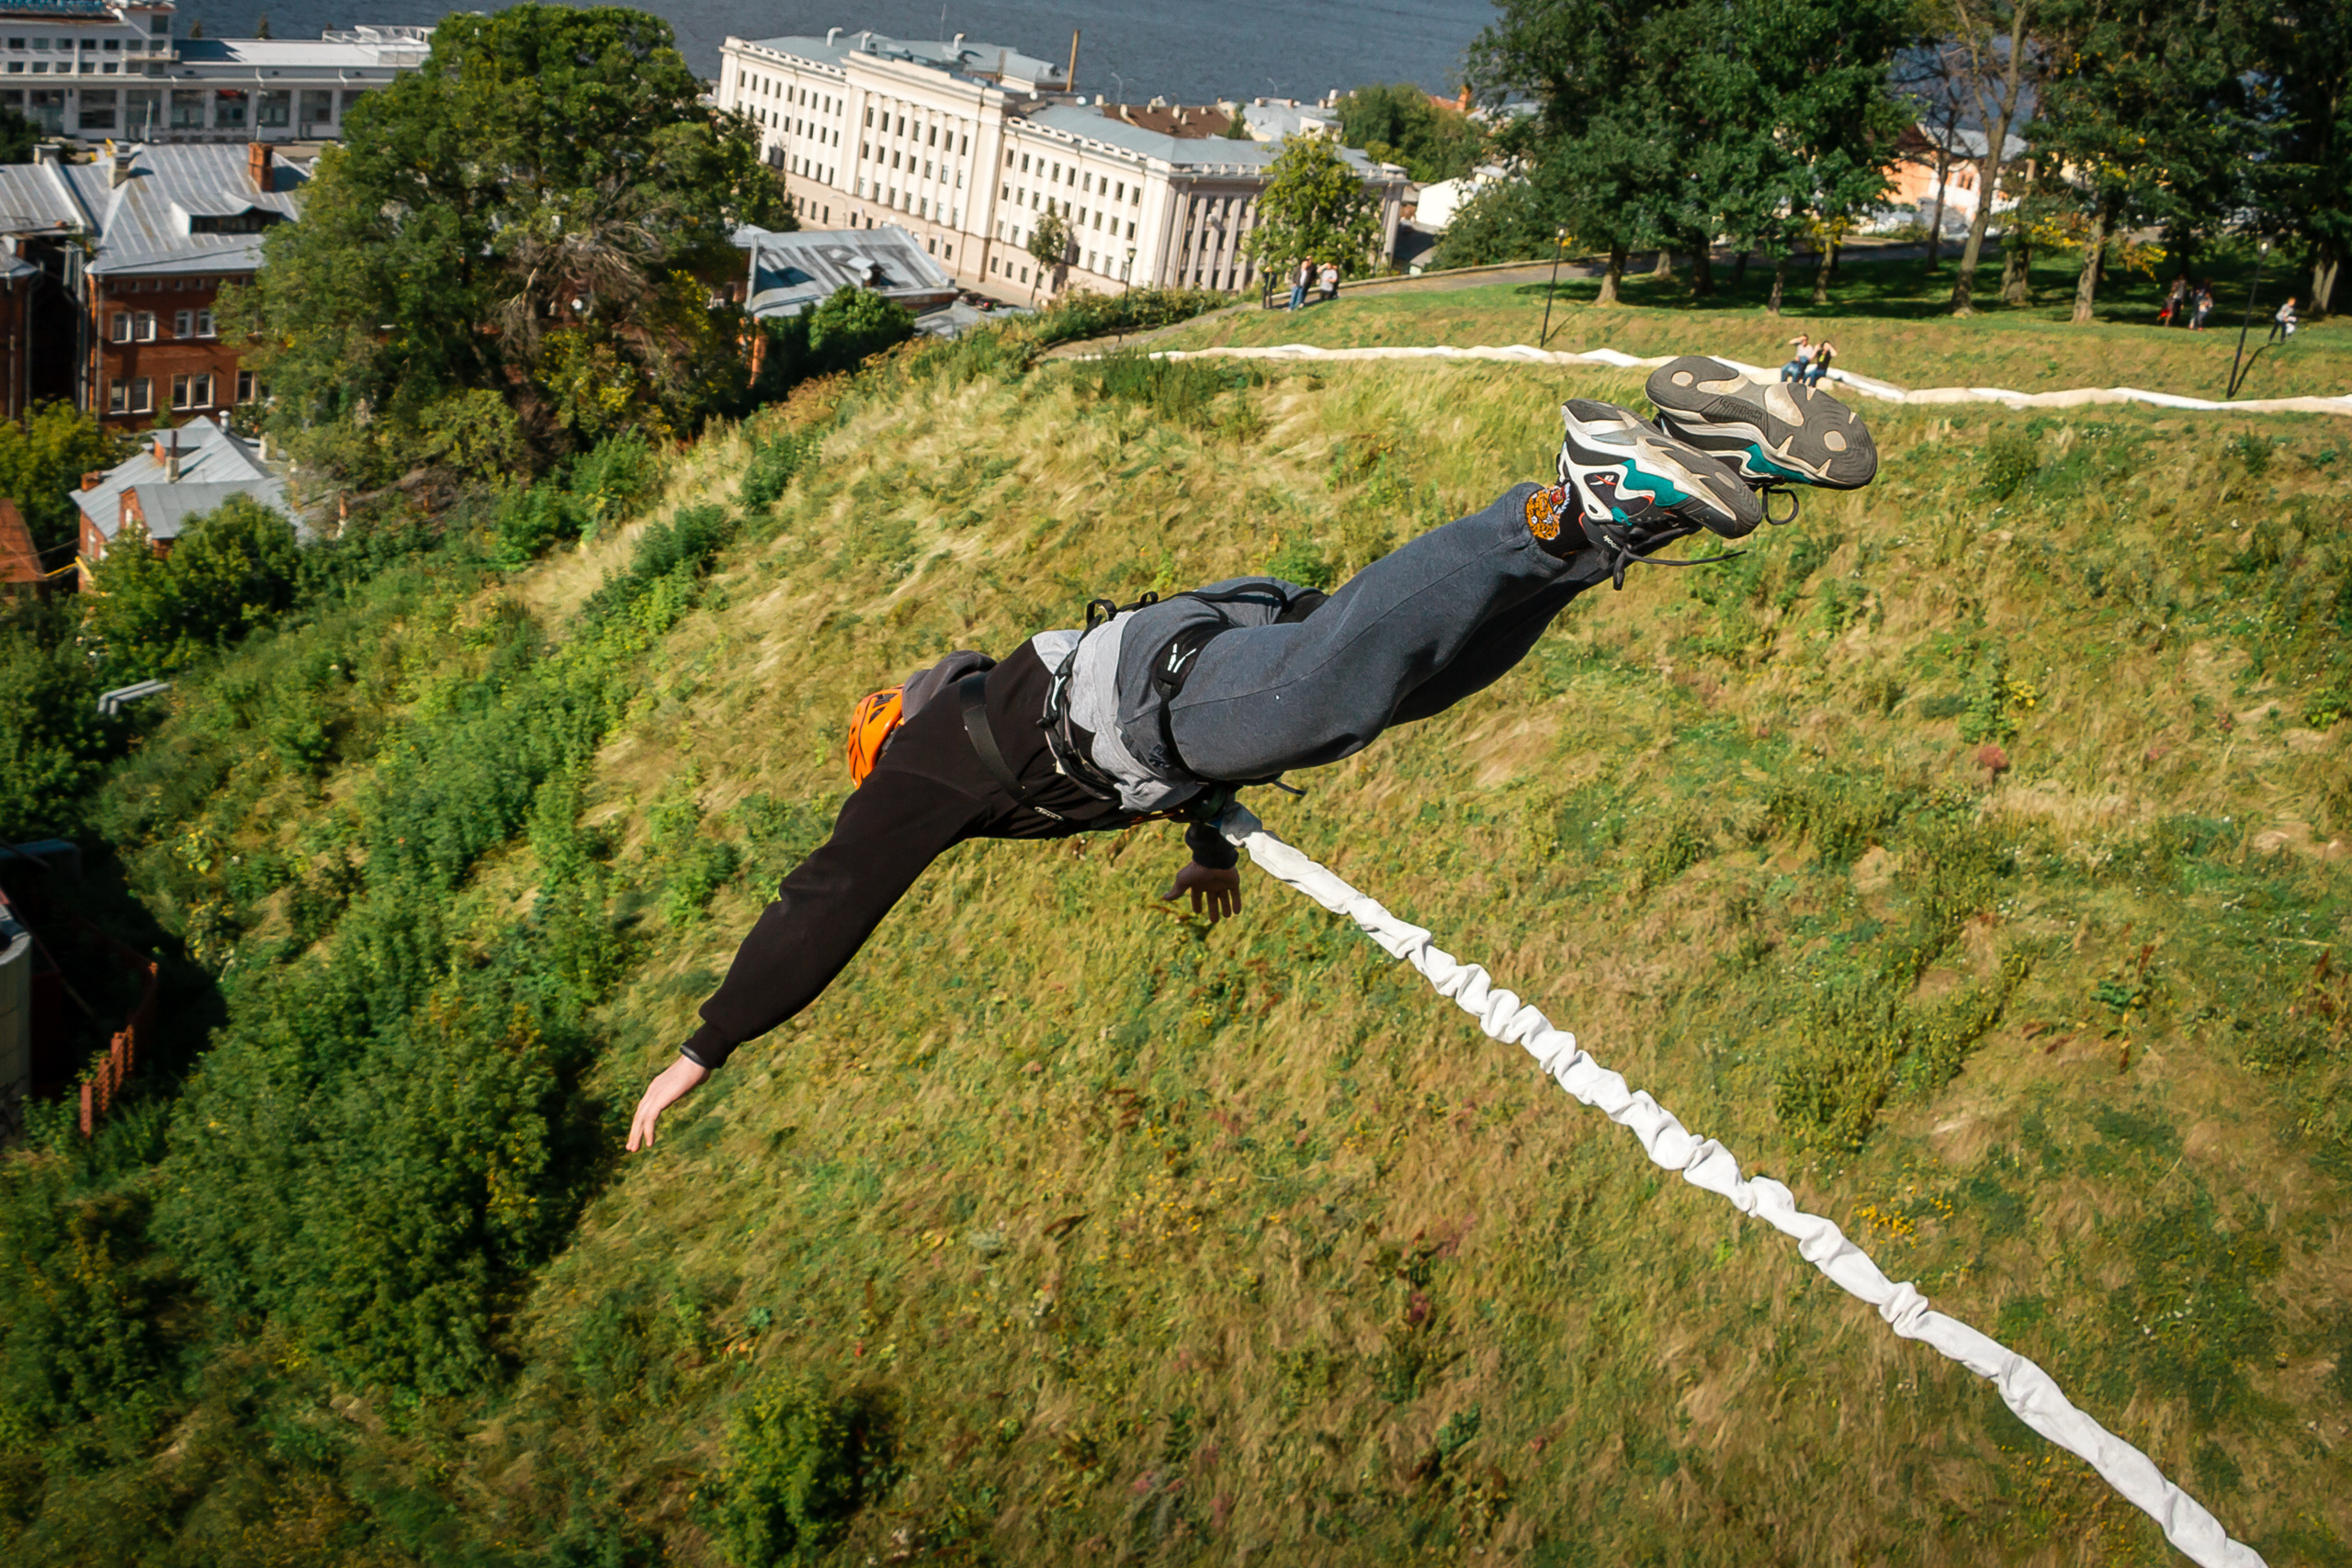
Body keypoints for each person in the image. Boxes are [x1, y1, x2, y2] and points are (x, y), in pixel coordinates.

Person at [626, 358, 1882, 1148]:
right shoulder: (998, 708)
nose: (888, 808)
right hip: (1186, 659)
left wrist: (709, 1042)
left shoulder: (925, 763)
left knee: (1337, 693)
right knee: (1419, 675)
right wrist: (1204, 840)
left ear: (883, 746)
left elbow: (832, 894)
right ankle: (1679, 473)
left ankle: (1571, 498)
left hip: (1162, 699)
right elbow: (1129, 767)